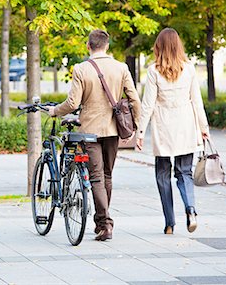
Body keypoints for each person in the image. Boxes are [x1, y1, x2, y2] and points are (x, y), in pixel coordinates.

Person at [48, 29, 141, 241]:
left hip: (89, 131)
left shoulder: (81, 69)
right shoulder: (121, 67)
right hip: (113, 130)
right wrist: (136, 126)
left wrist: (54, 111)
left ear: (88, 46)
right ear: (107, 46)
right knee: (107, 175)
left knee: (97, 176)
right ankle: (102, 223)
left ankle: (105, 224)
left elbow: (73, 103)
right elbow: (134, 99)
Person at [136, 28, 209, 235]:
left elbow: (148, 104)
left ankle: (169, 223)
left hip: (163, 129)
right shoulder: (189, 69)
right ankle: (191, 209)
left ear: (158, 46)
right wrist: (204, 128)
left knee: (162, 176)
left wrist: (140, 132)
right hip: (186, 126)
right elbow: (197, 101)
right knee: (184, 172)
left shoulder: (153, 71)